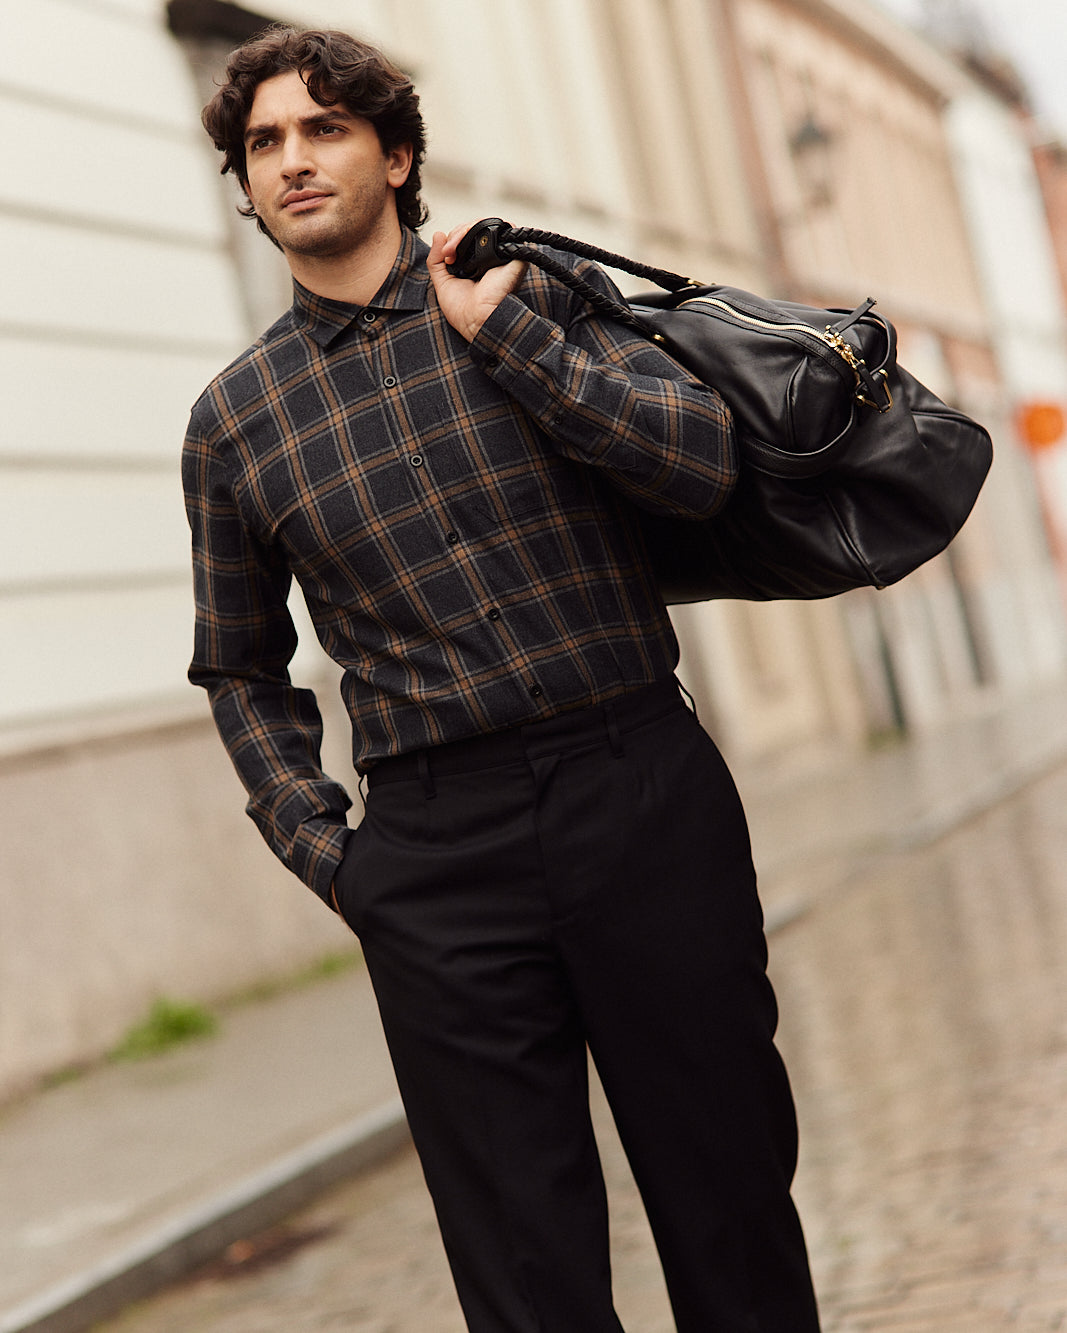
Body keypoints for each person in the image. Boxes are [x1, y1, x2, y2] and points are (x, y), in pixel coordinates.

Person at [183, 24, 821, 1333]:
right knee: (522, 1270)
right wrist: (336, 855)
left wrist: (514, 341)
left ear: (395, 152)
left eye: (325, 129)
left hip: (637, 786)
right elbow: (239, 667)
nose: (294, 160)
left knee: (730, 1201)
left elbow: (698, 463)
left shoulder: (526, 295)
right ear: (245, 189)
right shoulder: (233, 421)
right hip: (431, 849)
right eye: (265, 144)